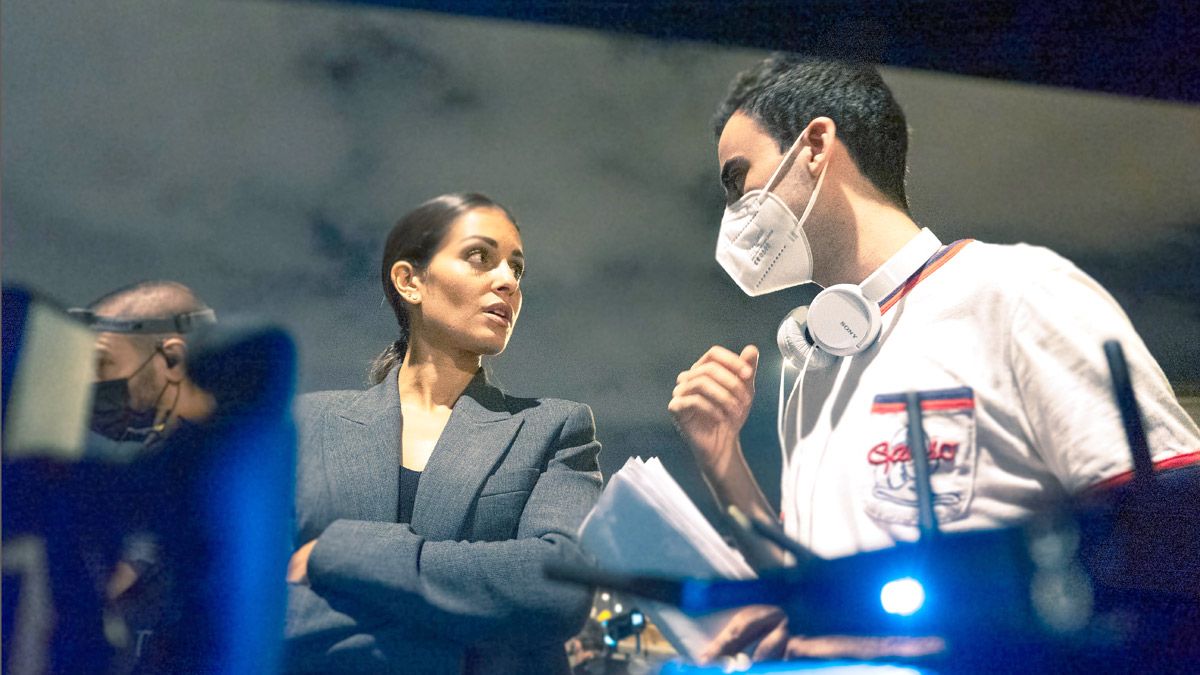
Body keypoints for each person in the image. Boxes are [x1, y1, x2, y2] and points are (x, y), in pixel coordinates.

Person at [668, 55, 1200, 663]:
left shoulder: (1017, 293)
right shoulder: (812, 363)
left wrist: (898, 641)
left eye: (738, 180)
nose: (733, 212)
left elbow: (1173, 556)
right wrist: (720, 457)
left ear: (815, 145)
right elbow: (811, 584)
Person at [283, 193, 603, 674]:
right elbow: (248, 597)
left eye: (517, 269)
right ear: (410, 280)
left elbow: (556, 588)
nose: (508, 282)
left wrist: (337, 552)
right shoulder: (308, 424)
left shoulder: (553, 427)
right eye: (480, 257)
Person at [70, 280, 218, 671]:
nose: (91, 383)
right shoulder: (153, 469)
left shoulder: (202, 483)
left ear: (170, 359)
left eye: (103, 364)